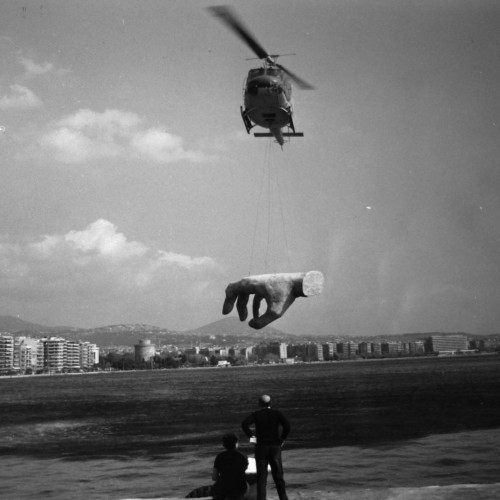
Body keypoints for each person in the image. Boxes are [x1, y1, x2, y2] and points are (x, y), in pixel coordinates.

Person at [241, 395, 291, 500]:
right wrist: (282, 439)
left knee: (261, 478)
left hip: (261, 447)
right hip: (275, 447)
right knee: (278, 476)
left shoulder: (257, 414)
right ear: (271, 403)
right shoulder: (277, 413)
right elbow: (287, 426)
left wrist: (252, 438)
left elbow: (244, 424)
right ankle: (283, 498)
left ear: (259, 403)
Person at [212, 432, 249, 500]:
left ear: (224, 445)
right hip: (239, 488)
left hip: (223, 488)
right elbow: (244, 471)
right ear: (236, 444)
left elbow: (214, 477)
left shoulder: (219, 457)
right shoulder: (243, 456)